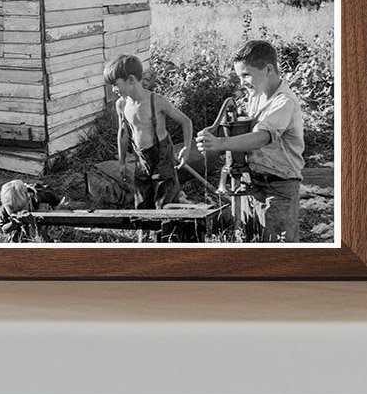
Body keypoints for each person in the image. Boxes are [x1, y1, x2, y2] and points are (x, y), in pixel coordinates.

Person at [196, 40, 304, 242]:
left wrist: (220, 144)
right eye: (239, 76)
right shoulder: (257, 95)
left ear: (269, 69)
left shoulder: (284, 102)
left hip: (279, 188)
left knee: (280, 248)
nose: (242, 82)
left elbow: (261, 137)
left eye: (246, 75)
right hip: (254, 183)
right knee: (254, 239)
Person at [103, 54, 193, 212]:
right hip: (141, 160)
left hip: (162, 159)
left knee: (165, 204)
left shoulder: (156, 101)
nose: (113, 89)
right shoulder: (122, 104)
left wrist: (186, 148)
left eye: (116, 84)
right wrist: (122, 163)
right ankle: (146, 235)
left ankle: (169, 234)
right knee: (143, 202)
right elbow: (123, 133)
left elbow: (186, 121)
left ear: (131, 80)